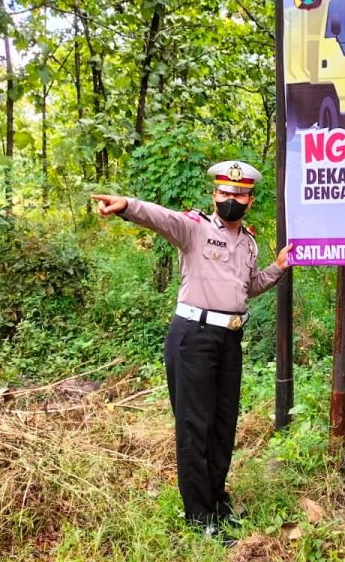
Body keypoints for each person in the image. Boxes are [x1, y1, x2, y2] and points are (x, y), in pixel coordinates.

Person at [91, 160, 291, 541]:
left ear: (250, 200)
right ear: (215, 195)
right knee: (194, 427)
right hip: (193, 337)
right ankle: (199, 517)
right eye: (225, 193)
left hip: (229, 340)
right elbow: (160, 217)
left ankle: (217, 502)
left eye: (240, 194)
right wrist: (127, 205)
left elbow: (248, 288)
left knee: (221, 426)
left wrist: (278, 267)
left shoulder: (248, 242)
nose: (232, 199)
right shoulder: (194, 229)